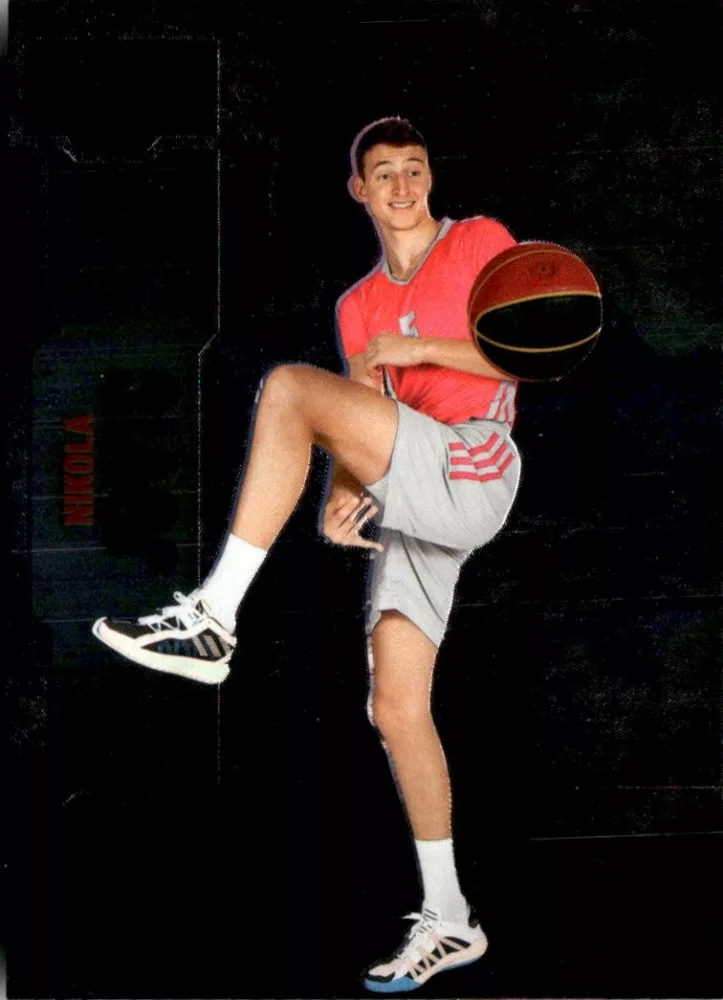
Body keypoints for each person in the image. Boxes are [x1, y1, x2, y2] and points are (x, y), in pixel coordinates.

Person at [92, 116, 521, 993]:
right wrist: (335, 492)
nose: (402, 186)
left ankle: (213, 618)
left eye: (414, 168)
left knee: (287, 387)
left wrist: (415, 348)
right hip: (411, 484)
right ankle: (451, 917)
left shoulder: (478, 241)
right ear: (358, 190)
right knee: (394, 707)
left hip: (472, 457)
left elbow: (528, 348)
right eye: (383, 173)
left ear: (431, 177)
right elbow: (355, 412)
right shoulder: (356, 307)